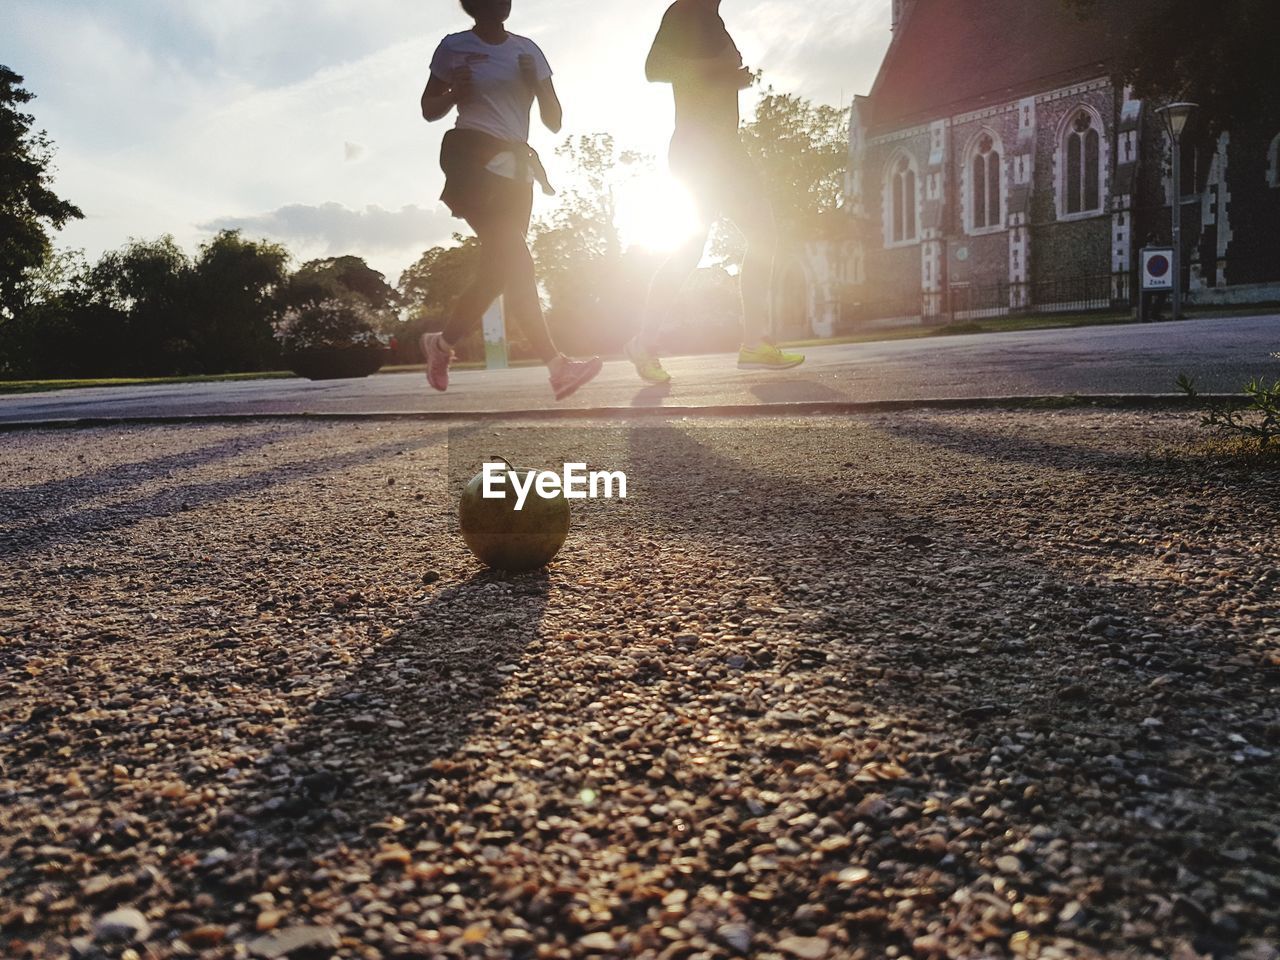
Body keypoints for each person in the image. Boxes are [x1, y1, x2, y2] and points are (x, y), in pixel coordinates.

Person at [419, 0, 602, 400]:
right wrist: (454, 92)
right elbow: (428, 109)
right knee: (518, 261)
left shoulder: (528, 50)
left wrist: (535, 85)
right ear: (473, 5)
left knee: (496, 273)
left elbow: (554, 121)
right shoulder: (454, 46)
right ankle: (557, 367)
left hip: (517, 172)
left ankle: (442, 344)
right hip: (471, 160)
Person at [626, 0, 804, 385]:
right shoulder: (685, 13)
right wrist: (720, 72)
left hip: (727, 148)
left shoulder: (712, 19)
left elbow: (713, 77)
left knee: (763, 236)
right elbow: (653, 69)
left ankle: (755, 343)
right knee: (692, 248)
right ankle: (644, 341)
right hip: (698, 148)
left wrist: (732, 78)